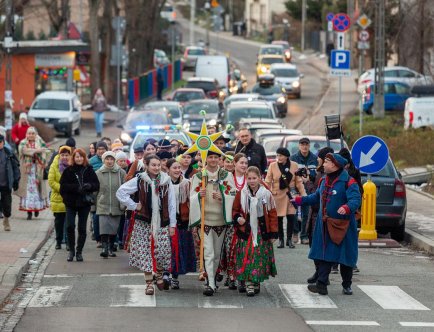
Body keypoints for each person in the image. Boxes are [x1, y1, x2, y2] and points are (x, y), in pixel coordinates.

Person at [292, 153, 361, 296]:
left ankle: (347, 284)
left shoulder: (349, 181)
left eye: (327, 162)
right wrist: (300, 200)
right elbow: (316, 197)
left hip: (344, 226)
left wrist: (347, 208)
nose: (323, 164)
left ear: (335, 165)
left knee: (345, 257)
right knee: (325, 255)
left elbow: (355, 199)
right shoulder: (323, 180)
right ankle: (321, 284)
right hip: (325, 224)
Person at [116, 155, 176, 295]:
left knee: (162, 252)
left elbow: (172, 204)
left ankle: (159, 274)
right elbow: (121, 192)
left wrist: (172, 224)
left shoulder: (166, 181)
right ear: (146, 165)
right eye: (153, 165)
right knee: (145, 254)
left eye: (158, 165)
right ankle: (149, 283)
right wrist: (134, 205)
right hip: (143, 221)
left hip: (162, 221)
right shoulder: (140, 180)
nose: (156, 168)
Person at [189, 151, 236, 296]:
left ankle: (213, 278)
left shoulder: (226, 175)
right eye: (210, 157)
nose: (213, 160)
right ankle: (209, 283)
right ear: (206, 158)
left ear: (220, 159)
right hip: (205, 220)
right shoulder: (199, 176)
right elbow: (191, 196)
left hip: (220, 220)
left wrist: (222, 197)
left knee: (216, 254)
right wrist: (198, 195)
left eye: (216, 157)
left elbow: (233, 194)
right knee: (208, 252)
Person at [232, 166, 278, 296]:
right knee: (248, 255)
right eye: (249, 178)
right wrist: (238, 218)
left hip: (261, 229)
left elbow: (272, 213)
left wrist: (274, 232)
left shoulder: (266, 194)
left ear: (260, 178)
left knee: (258, 256)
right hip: (246, 230)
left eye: (254, 178)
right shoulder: (241, 194)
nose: (252, 181)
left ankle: (256, 281)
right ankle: (249, 284)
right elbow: (235, 210)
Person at [60, 148, 100, 262]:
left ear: (84, 158)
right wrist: (76, 188)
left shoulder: (89, 170)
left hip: (84, 203)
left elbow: (96, 185)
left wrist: (89, 186)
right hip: (71, 202)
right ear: (73, 158)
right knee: (70, 226)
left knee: (82, 228)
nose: (79, 159)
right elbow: (63, 187)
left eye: (81, 156)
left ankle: (79, 252)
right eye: (77, 157)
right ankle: (71, 250)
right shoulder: (68, 170)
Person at [266, 147, 306, 249]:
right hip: (277, 195)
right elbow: (268, 181)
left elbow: (299, 182)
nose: (278, 157)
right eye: (277, 155)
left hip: (290, 195)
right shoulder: (272, 166)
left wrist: (304, 195)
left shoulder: (294, 165)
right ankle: (281, 240)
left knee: (291, 217)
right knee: (279, 218)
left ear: (286, 156)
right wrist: (266, 193)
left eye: (281, 155)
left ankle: (289, 240)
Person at [305, 146, 333, 284]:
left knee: (318, 247)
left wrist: (308, 182)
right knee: (315, 246)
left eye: (319, 158)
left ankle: (323, 276)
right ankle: (319, 273)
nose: (317, 159)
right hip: (315, 216)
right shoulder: (320, 174)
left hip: (319, 216)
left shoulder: (323, 176)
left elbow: (316, 197)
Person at [166, 159, 196, 289]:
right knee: (168, 249)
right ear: (168, 170)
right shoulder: (163, 183)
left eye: (179, 168)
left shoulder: (187, 184)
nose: (177, 170)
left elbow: (193, 200)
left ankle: (175, 277)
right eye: (174, 168)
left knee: (179, 249)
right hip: (167, 221)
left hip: (183, 221)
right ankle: (165, 273)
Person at [95, 151, 126, 258]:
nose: (109, 161)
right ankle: (104, 248)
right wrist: (93, 205)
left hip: (116, 204)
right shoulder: (98, 173)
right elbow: (95, 191)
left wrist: (124, 203)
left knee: (113, 228)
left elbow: (125, 188)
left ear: (114, 160)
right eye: (107, 159)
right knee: (103, 227)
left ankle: (111, 247)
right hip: (103, 204)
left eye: (111, 159)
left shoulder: (120, 172)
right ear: (104, 160)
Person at [16, 127, 50, 219]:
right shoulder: (23, 143)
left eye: (32, 133)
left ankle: (36, 209)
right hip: (27, 171)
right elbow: (24, 151)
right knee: (27, 192)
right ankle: (29, 212)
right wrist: (37, 151)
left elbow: (46, 151)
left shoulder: (40, 142)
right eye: (29, 133)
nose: (31, 135)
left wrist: (39, 153)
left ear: (36, 134)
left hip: (37, 170)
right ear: (26, 134)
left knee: (37, 191)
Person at [290, 137, 318, 245]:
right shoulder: (293, 158)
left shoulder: (314, 159)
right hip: (296, 188)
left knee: (306, 212)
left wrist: (309, 175)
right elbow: (291, 174)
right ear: (299, 146)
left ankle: (304, 235)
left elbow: (316, 175)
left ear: (309, 146)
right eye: (302, 144)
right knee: (294, 211)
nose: (304, 146)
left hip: (309, 188)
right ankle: (295, 233)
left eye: (306, 144)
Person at [48, 146, 72, 249]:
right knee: (58, 222)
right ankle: (58, 241)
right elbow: (51, 181)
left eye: (67, 155)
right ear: (59, 155)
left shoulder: (72, 166)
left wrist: (69, 188)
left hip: (70, 200)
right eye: (62, 155)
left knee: (69, 223)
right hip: (57, 198)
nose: (64, 157)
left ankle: (68, 242)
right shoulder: (54, 166)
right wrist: (62, 188)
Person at [89, 141, 108, 247]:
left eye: (103, 148)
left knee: (106, 218)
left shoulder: (110, 160)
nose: (101, 151)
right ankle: (98, 239)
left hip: (107, 193)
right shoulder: (91, 161)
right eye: (99, 149)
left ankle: (107, 240)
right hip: (95, 193)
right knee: (96, 217)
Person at [0, 134, 20, 231]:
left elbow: (16, 167)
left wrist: (16, 180)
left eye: (0, 142)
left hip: (6, 184)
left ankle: (6, 219)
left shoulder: (9, 153)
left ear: (3, 142)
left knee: (7, 205)